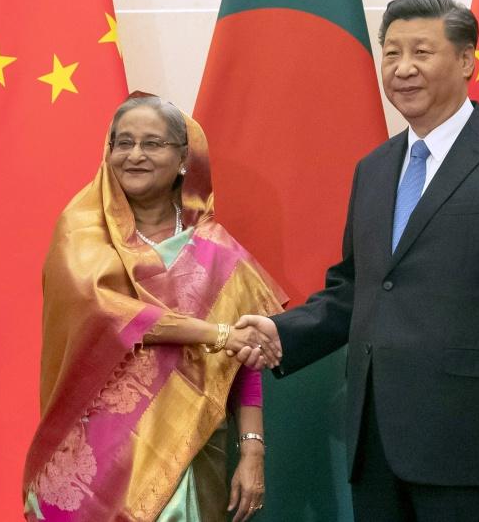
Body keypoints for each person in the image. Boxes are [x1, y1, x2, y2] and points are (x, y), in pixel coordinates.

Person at [234, 0, 479, 521]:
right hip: (375, 440)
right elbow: (359, 287)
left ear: (466, 60)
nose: (403, 69)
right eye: (391, 53)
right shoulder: (375, 168)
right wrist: (284, 332)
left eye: (421, 52)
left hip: (475, 439)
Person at [22, 93, 286, 522]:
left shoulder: (217, 252)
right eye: (122, 143)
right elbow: (110, 314)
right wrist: (215, 333)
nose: (134, 155)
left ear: (184, 158)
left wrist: (252, 449)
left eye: (152, 143)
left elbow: (244, 363)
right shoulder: (82, 235)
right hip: (91, 463)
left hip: (190, 451)